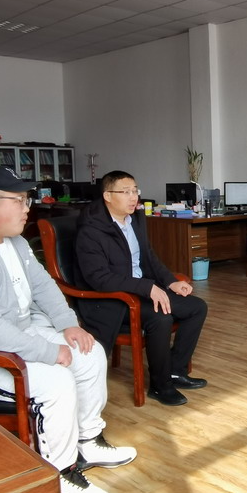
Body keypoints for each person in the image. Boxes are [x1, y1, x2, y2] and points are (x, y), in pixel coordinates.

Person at [0, 166, 136, 493]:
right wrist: (48, 351)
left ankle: (88, 439)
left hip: (17, 335)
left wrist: (68, 325)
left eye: (27, 199)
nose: (28, 208)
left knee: (89, 352)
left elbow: (42, 287)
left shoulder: (15, 242)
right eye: (20, 200)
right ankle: (60, 472)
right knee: (55, 381)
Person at [74, 170, 208, 407]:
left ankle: (175, 371)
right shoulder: (91, 230)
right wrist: (147, 287)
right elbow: (99, 279)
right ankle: (160, 386)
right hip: (111, 299)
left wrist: (170, 281)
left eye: (135, 191)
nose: (133, 197)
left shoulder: (135, 218)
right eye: (125, 192)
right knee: (161, 317)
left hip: (140, 290)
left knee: (196, 307)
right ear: (107, 196)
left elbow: (149, 257)